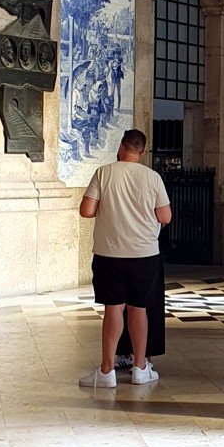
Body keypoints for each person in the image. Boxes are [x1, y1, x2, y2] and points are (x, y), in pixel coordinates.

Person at [77, 129, 171, 390]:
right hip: (144, 254)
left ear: (121, 146)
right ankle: (140, 367)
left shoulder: (104, 173)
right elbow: (165, 217)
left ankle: (107, 371)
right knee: (139, 309)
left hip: (109, 253)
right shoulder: (152, 177)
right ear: (143, 151)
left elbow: (86, 210)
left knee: (113, 309)